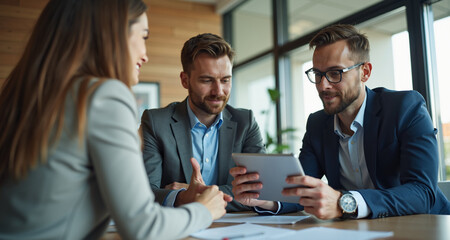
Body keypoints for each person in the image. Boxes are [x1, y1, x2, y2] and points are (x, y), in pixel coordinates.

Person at [0, 0, 231, 239]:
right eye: (143, 37)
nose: (145, 55)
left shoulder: (27, 96)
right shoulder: (104, 94)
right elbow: (143, 227)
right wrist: (204, 210)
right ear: (112, 35)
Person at [230, 24, 450, 219]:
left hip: (425, 226)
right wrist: (265, 199)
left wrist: (345, 202)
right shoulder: (317, 124)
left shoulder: (405, 108)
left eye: (335, 73)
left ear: (365, 72)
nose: (323, 85)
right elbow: (301, 186)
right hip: (356, 231)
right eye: (317, 73)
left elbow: (423, 192)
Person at [140, 33, 265, 212]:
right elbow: (145, 192)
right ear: (185, 80)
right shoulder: (155, 123)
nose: (218, 91)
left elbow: (259, 190)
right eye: (207, 80)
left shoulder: (246, 123)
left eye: (225, 80)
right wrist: (185, 196)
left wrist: (188, 196)